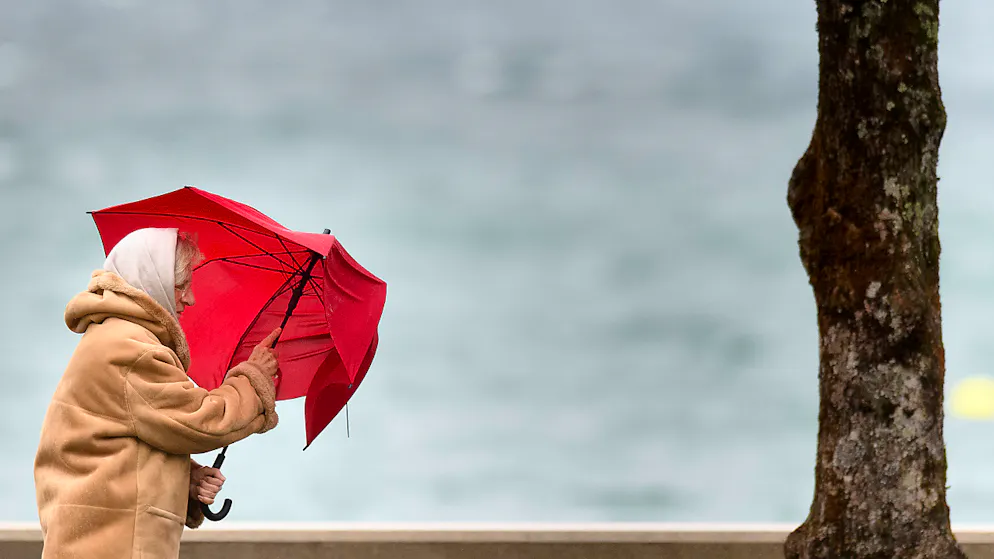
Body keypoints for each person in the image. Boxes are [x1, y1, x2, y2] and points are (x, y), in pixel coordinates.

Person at [34, 227, 281, 559]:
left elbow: (124, 445)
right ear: (152, 281)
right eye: (182, 286)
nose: (190, 299)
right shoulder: (130, 348)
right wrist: (254, 378)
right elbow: (202, 421)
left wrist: (186, 480)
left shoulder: (114, 338)